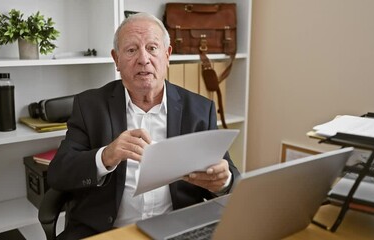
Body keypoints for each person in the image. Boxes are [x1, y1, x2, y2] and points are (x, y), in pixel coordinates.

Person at [47, 12, 240, 239]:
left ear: (167, 55)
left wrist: (223, 182)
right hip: (107, 231)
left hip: (176, 229)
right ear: (116, 59)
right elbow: (58, 173)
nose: (143, 59)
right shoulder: (89, 106)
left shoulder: (199, 109)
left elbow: (231, 178)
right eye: (131, 50)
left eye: (152, 48)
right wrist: (105, 156)